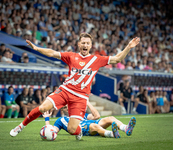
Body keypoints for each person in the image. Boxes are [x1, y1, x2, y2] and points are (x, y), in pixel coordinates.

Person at [10, 33, 140, 140]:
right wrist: (37, 48)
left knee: (73, 129)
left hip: (80, 98)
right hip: (65, 90)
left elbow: (117, 59)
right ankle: (20, 126)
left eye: (87, 43)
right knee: (43, 107)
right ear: (78, 44)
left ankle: (81, 132)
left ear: (90, 45)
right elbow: (52, 53)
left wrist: (129, 46)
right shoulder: (71, 56)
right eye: (83, 42)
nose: (85, 45)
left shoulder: (96, 59)